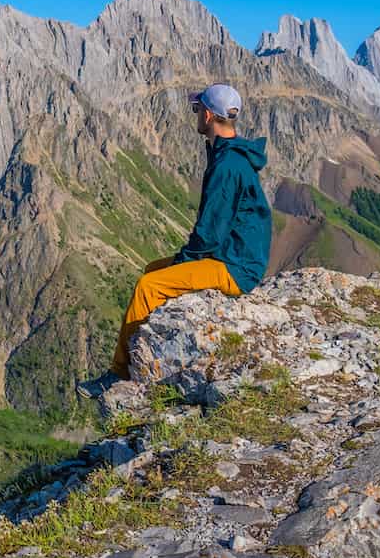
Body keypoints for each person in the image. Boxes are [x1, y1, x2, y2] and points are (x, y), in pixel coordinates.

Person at [77, 83, 271, 398]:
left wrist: (184, 260)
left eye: (197, 110)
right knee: (152, 269)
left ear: (208, 115)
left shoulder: (227, 165)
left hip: (234, 266)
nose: (195, 115)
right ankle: (149, 344)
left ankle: (120, 373)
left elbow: (210, 232)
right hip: (232, 255)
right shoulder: (231, 154)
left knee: (148, 286)